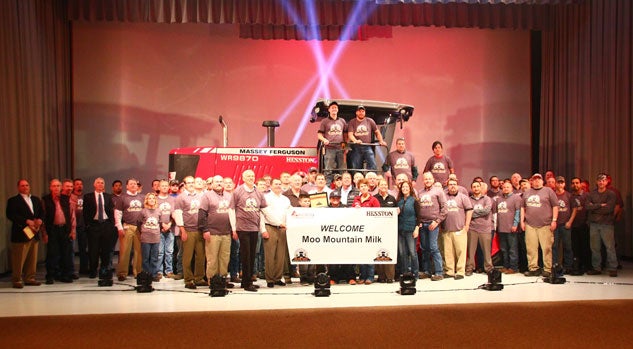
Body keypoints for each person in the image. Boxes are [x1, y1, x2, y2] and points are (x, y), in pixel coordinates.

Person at [229, 169, 267, 292]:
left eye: (252, 176)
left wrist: (263, 228)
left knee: (252, 254)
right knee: (245, 255)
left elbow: (263, 210)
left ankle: (248, 279)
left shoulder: (258, 192)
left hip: (254, 228)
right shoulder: (238, 191)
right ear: (243, 178)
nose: (251, 178)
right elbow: (231, 210)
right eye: (248, 176)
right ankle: (246, 282)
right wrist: (234, 228)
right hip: (242, 228)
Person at [6, 179, 45, 288]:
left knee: (32, 258)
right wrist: (26, 221)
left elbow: (42, 212)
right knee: (19, 258)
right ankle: (17, 280)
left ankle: (30, 278)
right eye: (22, 186)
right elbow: (11, 215)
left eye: (27, 185)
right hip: (21, 233)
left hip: (34, 232)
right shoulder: (13, 200)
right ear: (18, 187)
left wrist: (40, 220)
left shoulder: (35, 199)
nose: (25, 187)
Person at [198, 175, 234, 287]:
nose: (219, 183)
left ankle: (222, 279)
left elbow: (233, 213)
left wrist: (234, 229)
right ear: (212, 184)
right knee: (212, 259)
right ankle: (212, 281)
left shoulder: (229, 196)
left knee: (224, 258)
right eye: (216, 181)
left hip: (226, 232)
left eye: (220, 181)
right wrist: (205, 230)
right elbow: (202, 214)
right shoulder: (207, 196)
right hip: (212, 233)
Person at [521, 173, 558, 277]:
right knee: (531, 248)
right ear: (531, 181)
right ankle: (533, 268)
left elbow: (555, 206)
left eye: (538, 179)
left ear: (542, 181)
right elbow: (522, 207)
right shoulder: (527, 192)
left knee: (546, 248)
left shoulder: (548, 191)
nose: (536, 181)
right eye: (534, 179)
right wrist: (522, 221)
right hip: (530, 224)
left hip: (545, 224)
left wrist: (554, 220)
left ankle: (547, 268)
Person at [174, 176, 206, 289]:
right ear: (184, 184)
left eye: (193, 182)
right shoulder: (180, 198)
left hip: (200, 230)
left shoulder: (201, 196)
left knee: (201, 256)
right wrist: (182, 230)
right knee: (187, 257)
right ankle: (188, 280)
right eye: (189, 183)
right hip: (188, 230)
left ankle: (199, 278)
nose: (192, 184)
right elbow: (178, 214)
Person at [42, 179, 76, 284]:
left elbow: (72, 215)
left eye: (58, 186)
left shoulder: (66, 199)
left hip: (65, 229)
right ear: (50, 188)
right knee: (52, 254)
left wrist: (73, 230)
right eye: (54, 186)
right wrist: (44, 233)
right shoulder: (45, 199)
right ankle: (50, 276)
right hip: (52, 230)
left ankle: (65, 275)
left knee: (66, 253)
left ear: (61, 188)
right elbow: (43, 217)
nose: (56, 188)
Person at [83, 177, 117, 279]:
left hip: (106, 225)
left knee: (106, 250)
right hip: (94, 226)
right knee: (93, 250)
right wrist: (88, 225)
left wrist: (111, 225)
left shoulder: (107, 196)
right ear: (94, 184)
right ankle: (93, 270)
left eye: (102, 183)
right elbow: (85, 213)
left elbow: (111, 212)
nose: (100, 184)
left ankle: (104, 269)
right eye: (98, 183)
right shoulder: (88, 196)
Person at [585, 173, 618, 277]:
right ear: (596, 182)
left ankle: (613, 268)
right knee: (595, 247)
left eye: (603, 180)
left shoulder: (611, 194)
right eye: (599, 180)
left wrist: (594, 207)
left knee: (610, 247)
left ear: (607, 182)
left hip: (606, 224)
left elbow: (609, 209)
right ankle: (596, 268)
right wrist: (600, 205)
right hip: (594, 224)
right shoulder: (591, 194)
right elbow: (587, 206)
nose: (601, 182)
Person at [260, 178, 291, 288]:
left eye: (279, 184)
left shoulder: (286, 199)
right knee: (270, 255)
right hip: (270, 227)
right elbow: (264, 214)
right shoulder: (266, 198)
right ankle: (270, 279)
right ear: (271, 186)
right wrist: (263, 230)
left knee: (280, 255)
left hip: (283, 228)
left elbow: (290, 212)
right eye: (276, 184)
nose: (278, 186)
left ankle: (278, 277)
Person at [417, 172, 447, 281]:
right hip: (422, 224)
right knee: (424, 248)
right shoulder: (420, 192)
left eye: (429, 179)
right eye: (425, 179)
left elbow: (444, 208)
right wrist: (418, 221)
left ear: (433, 179)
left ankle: (439, 272)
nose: (427, 180)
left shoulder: (439, 191)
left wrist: (437, 221)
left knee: (433, 247)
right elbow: (417, 208)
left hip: (433, 224)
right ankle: (426, 271)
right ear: (423, 180)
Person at [442, 178, 473, 279]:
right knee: (448, 252)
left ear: (457, 185)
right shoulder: (443, 197)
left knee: (461, 251)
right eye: (450, 184)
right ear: (447, 186)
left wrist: (467, 225)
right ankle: (450, 271)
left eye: (454, 184)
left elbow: (469, 211)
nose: (452, 186)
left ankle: (460, 271)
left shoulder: (463, 197)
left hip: (459, 229)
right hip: (446, 229)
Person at [114, 178, 143, 281]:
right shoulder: (122, 198)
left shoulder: (142, 197)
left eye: (135, 184)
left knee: (138, 251)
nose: (133, 185)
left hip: (139, 228)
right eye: (131, 184)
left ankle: (138, 272)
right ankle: (122, 273)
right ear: (127, 186)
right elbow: (118, 213)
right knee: (125, 251)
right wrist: (119, 227)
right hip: (127, 227)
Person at [353, 179, 380, 284]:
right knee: (362, 254)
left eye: (365, 186)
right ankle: (362, 276)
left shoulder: (374, 200)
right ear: (359, 188)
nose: (363, 188)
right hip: (359, 231)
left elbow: (378, 215)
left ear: (368, 187)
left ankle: (370, 276)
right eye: (361, 186)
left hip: (371, 230)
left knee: (370, 254)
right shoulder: (356, 199)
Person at [327, 190, 357, 285]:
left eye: (337, 198)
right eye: (333, 198)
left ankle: (350, 278)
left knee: (347, 256)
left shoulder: (346, 208)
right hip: (331, 237)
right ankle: (333, 278)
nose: (335, 200)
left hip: (345, 236)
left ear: (340, 199)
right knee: (332, 257)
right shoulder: (325, 210)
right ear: (330, 199)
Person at [347, 105, 387, 172]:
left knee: (372, 165)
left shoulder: (370, 121)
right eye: (359, 111)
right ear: (356, 112)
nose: (361, 113)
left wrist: (381, 141)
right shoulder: (352, 122)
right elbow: (350, 134)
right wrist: (355, 140)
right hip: (356, 147)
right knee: (357, 167)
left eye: (363, 111)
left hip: (367, 146)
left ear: (365, 112)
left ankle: (372, 179)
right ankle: (358, 180)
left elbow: (377, 132)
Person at [465, 181, 493, 275]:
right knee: (471, 251)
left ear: (481, 188)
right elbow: (467, 212)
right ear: (472, 189)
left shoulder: (487, 199)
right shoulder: (468, 199)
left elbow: (486, 211)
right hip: (472, 228)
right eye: (474, 187)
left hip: (485, 229)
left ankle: (488, 268)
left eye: (478, 186)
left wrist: (472, 213)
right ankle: (469, 268)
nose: (476, 188)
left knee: (486, 251)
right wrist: (471, 213)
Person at [495, 181, 522, 274]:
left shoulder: (516, 198)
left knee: (512, 249)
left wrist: (515, 224)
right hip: (501, 228)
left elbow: (518, 212)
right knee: (503, 249)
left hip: (511, 228)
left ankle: (513, 267)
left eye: (508, 187)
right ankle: (505, 266)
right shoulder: (499, 199)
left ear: (512, 188)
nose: (505, 188)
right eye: (504, 187)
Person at [138, 193, 166, 281]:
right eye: (149, 198)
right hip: (146, 237)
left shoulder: (158, 211)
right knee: (146, 257)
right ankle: (146, 274)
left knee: (154, 257)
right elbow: (138, 222)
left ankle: (154, 274)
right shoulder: (143, 211)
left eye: (153, 198)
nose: (151, 200)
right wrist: (143, 231)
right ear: (146, 200)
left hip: (156, 237)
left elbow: (160, 223)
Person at [396, 180, 421, 281]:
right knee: (402, 253)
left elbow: (419, 216)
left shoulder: (414, 200)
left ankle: (415, 274)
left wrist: (417, 229)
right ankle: (405, 272)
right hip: (400, 230)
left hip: (411, 230)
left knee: (412, 252)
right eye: (403, 187)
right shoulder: (399, 201)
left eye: (406, 187)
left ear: (410, 188)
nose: (405, 189)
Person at [317, 101, 347, 183]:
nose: (334, 109)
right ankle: (327, 187)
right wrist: (324, 140)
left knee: (342, 170)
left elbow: (345, 136)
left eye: (336, 108)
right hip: (329, 149)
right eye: (332, 108)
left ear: (338, 110)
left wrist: (345, 147)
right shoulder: (324, 121)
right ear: (329, 110)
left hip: (340, 149)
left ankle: (343, 187)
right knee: (328, 169)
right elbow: (319, 135)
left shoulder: (342, 121)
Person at [374, 179, 397, 283]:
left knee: (389, 252)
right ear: (378, 186)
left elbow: (396, 211)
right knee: (378, 252)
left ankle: (390, 276)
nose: (384, 186)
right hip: (378, 229)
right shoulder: (374, 198)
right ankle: (381, 276)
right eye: (381, 185)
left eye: (385, 185)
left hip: (390, 230)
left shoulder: (392, 198)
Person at [553, 176, 577, 274]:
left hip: (565, 224)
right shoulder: (553, 195)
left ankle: (568, 266)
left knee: (567, 246)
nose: (560, 184)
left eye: (562, 182)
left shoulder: (569, 195)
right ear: (555, 184)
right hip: (555, 225)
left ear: (564, 184)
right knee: (554, 246)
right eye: (558, 182)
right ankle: (555, 265)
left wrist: (570, 222)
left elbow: (574, 209)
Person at [570, 176, 590, 274]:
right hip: (573, 226)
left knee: (585, 247)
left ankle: (586, 266)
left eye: (577, 183)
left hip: (584, 225)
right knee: (575, 247)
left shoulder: (586, 196)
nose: (575, 185)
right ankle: (577, 266)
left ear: (580, 184)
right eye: (573, 183)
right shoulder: (570, 196)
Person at [156, 179, 175, 278]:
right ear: (158, 187)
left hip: (170, 228)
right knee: (159, 252)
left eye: (166, 186)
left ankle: (169, 271)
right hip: (159, 229)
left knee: (169, 251)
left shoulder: (172, 199)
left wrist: (170, 224)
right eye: (162, 186)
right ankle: (159, 271)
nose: (164, 187)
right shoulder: (155, 199)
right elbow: (154, 214)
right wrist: (162, 224)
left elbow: (175, 214)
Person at [71, 178, 89, 275]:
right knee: (72, 249)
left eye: (81, 184)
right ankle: (72, 270)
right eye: (77, 184)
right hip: (73, 226)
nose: (79, 186)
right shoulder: (71, 196)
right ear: (74, 186)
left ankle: (84, 269)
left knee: (83, 248)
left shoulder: (85, 197)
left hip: (83, 226)